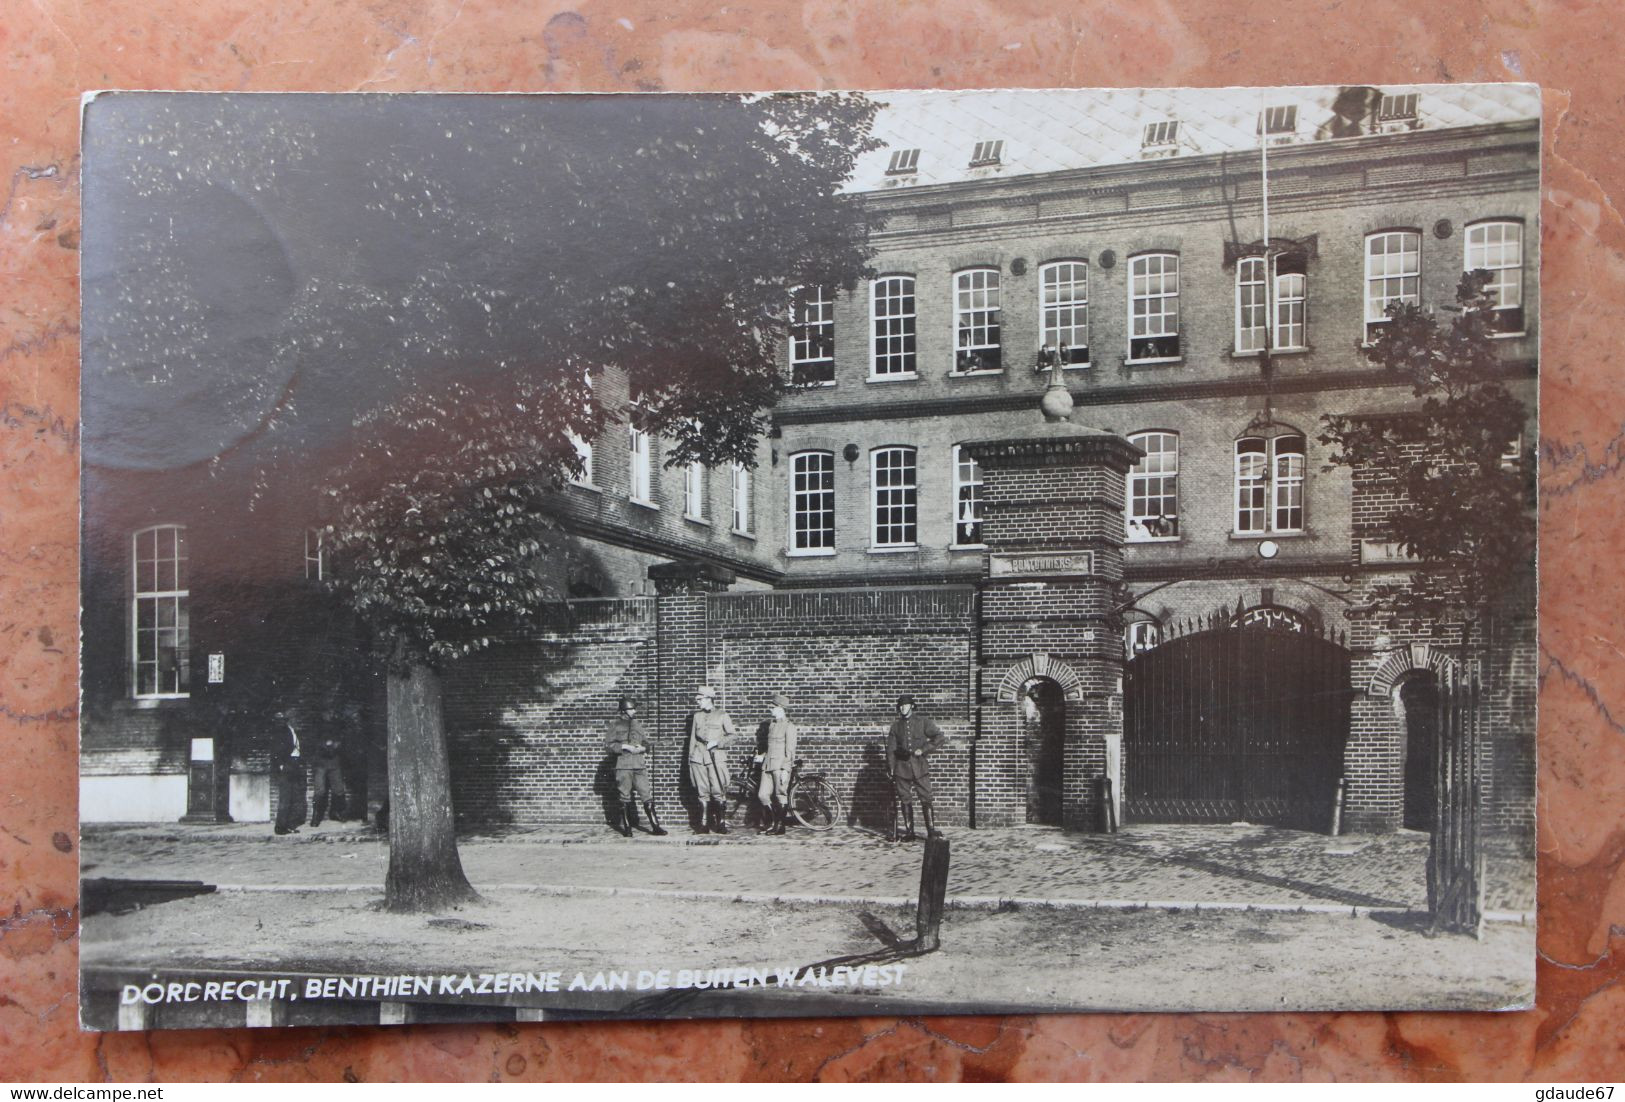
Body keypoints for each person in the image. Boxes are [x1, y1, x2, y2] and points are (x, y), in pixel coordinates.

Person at [885, 693, 946, 842]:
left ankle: (931, 831)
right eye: (900, 706)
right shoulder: (895, 726)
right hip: (901, 768)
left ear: (912, 706)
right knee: (905, 799)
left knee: (926, 798)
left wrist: (924, 749)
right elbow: (891, 750)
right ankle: (909, 832)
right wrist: (891, 768)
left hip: (920, 767)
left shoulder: (923, 722)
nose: (903, 708)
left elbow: (939, 738)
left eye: (905, 705)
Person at [603, 696, 667, 837]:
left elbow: (646, 743)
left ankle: (656, 827)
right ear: (624, 711)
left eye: (634, 708)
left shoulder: (637, 724)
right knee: (625, 797)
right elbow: (608, 746)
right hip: (624, 765)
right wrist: (625, 746)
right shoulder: (615, 725)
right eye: (631, 709)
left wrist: (643, 748)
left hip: (639, 764)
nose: (634, 711)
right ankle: (627, 829)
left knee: (646, 795)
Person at [686, 685, 737, 834]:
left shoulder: (722, 715)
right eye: (697, 699)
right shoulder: (697, 716)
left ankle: (721, 823)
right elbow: (692, 739)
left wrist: (718, 742)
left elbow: (733, 736)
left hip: (715, 757)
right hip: (698, 757)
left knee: (718, 789)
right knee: (702, 790)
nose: (697, 702)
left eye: (700, 699)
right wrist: (691, 759)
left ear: (709, 699)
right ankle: (703, 825)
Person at [754, 692, 799, 836]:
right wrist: (762, 756)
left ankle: (780, 826)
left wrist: (786, 769)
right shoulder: (772, 725)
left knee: (780, 795)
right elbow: (771, 746)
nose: (770, 709)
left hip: (780, 765)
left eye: (772, 707)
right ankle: (774, 822)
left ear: (780, 708)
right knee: (762, 795)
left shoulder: (789, 727)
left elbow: (790, 750)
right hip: (767, 765)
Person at [271, 708, 307, 836]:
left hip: (295, 764)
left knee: (294, 796)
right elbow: (277, 749)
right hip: (287, 764)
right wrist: (281, 764)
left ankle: (290, 825)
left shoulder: (293, 731)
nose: (296, 720)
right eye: (294, 718)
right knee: (285, 797)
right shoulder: (282, 731)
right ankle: (280, 827)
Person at [308, 723, 347, 829]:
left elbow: (341, 742)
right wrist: (327, 744)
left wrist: (334, 744)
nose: (329, 714)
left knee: (338, 789)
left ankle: (337, 813)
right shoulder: (317, 726)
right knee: (319, 790)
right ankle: (316, 817)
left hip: (334, 763)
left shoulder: (338, 726)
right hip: (321, 763)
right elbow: (313, 742)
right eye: (327, 712)